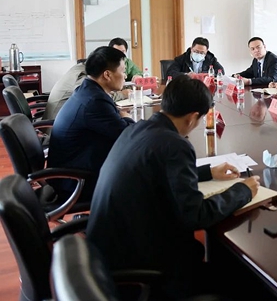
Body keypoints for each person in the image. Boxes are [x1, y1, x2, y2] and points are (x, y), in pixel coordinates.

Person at [87, 76, 259, 299]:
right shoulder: (175, 145)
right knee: (240, 279)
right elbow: (195, 215)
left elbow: (158, 172)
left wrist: (208, 172)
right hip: (138, 264)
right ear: (192, 117)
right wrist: (243, 191)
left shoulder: (138, 129)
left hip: (107, 252)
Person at [46, 47, 135, 200]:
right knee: (141, 175)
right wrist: (127, 117)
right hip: (76, 181)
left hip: (73, 169)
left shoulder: (88, 90)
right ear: (107, 75)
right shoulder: (94, 100)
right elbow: (127, 134)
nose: (125, 76)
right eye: (123, 71)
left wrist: (121, 117)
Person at [43, 59, 131, 121]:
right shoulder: (83, 76)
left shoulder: (80, 68)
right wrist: (122, 95)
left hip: (62, 123)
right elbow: (95, 97)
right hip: (53, 127)